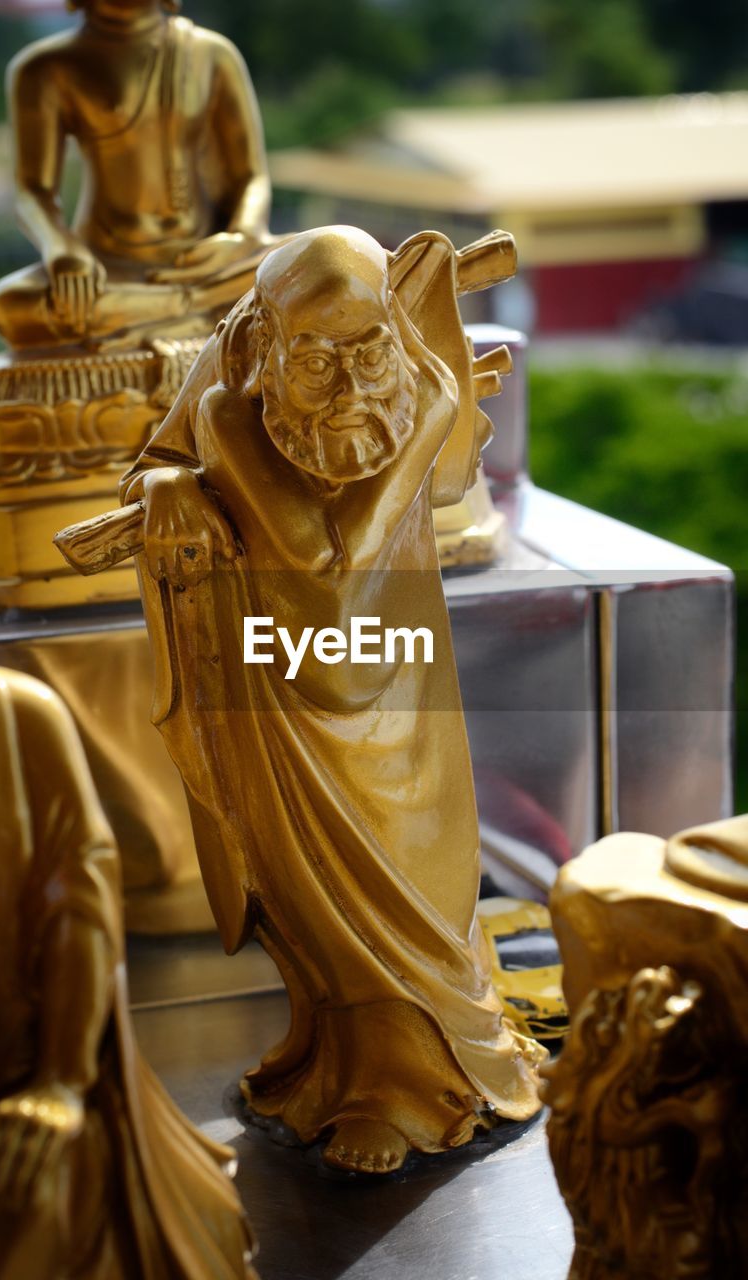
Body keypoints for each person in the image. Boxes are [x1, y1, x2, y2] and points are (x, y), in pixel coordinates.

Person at [121, 226, 544, 1175]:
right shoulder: (235, 410)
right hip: (286, 690)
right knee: (321, 905)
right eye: (316, 361)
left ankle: (448, 1073)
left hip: (400, 672)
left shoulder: (402, 383)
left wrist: (429, 408)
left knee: (428, 881)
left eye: (371, 351)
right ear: (262, 345)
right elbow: (329, 571)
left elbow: (431, 502)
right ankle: (364, 1086)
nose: (353, 387)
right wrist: (167, 489)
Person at [0, 447, 256, 1279]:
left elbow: (79, 903)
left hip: (4, 1070)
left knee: (21, 1205)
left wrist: (59, 1079)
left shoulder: (14, 723)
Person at [0, 0, 273, 351]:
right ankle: (205, 309)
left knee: (317, 252)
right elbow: (33, 192)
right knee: (10, 307)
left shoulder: (211, 53)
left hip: (208, 258)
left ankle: (190, 307)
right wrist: (62, 250)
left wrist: (243, 235)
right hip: (109, 266)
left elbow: (251, 177)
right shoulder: (45, 67)